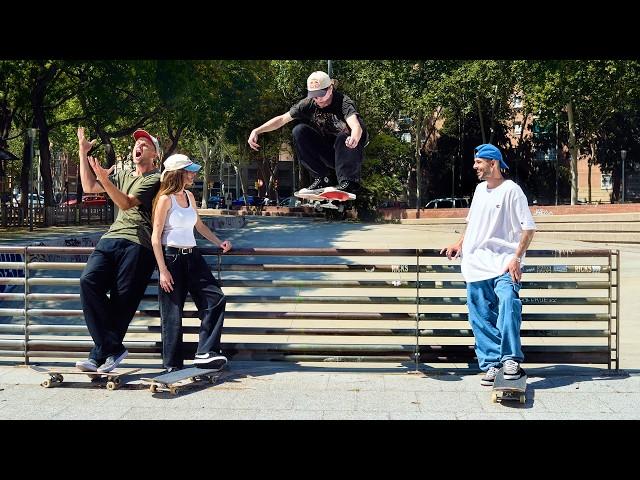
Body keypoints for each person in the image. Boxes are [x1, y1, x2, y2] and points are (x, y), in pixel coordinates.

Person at [440, 144, 536, 385]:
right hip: (475, 265)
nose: (475, 166)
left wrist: (516, 257)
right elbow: (472, 224)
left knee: (508, 303)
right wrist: (459, 244)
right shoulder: (480, 190)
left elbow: (528, 228)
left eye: (479, 162)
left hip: (504, 264)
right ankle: (492, 364)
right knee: (480, 316)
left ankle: (510, 359)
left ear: (493, 163)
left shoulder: (512, 190)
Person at [76, 127, 161, 373]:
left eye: (145, 144)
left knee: (121, 303)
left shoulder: (155, 179)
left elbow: (125, 203)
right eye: (137, 143)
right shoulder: (122, 175)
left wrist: (104, 178)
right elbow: (89, 187)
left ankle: (98, 355)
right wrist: (83, 153)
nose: (139, 146)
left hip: (139, 244)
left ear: (155, 154)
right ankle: (111, 349)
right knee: (87, 282)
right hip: (110, 239)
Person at [151, 154, 232, 372]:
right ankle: (172, 366)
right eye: (189, 170)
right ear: (177, 173)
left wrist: (219, 242)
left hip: (193, 256)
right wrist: (163, 270)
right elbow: (155, 236)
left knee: (216, 298)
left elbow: (199, 226)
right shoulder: (164, 199)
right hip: (172, 258)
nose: (193, 174)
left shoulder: (189, 196)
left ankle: (205, 352)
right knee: (172, 314)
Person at [248, 70, 367, 197]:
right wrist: (257, 130)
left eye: (321, 94)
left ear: (330, 88)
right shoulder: (307, 104)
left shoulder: (343, 102)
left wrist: (354, 137)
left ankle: (348, 182)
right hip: (329, 153)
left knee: (343, 136)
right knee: (299, 131)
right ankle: (321, 179)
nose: (318, 99)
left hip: (350, 151)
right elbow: (282, 119)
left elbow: (355, 125)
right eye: (314, 95)